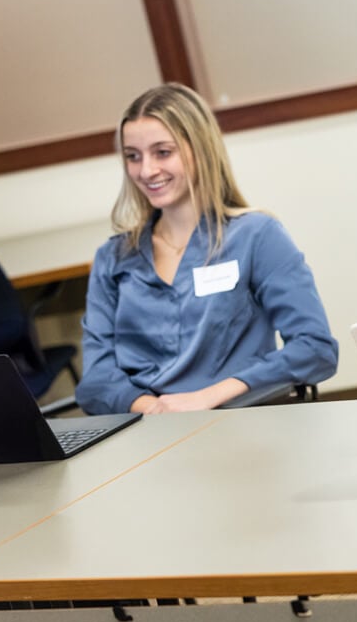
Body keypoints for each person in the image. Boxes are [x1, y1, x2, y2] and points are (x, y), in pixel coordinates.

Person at [75, 83, 338, 415]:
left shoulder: (256, 235)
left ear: (200, 150)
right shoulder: (113, 258)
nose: (146, 170)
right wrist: (155, 409)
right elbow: (96, 380)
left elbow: (315, 349)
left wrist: (210, 397)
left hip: (240, 420)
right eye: (133, 156)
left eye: (163, 152)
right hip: (148, 427)